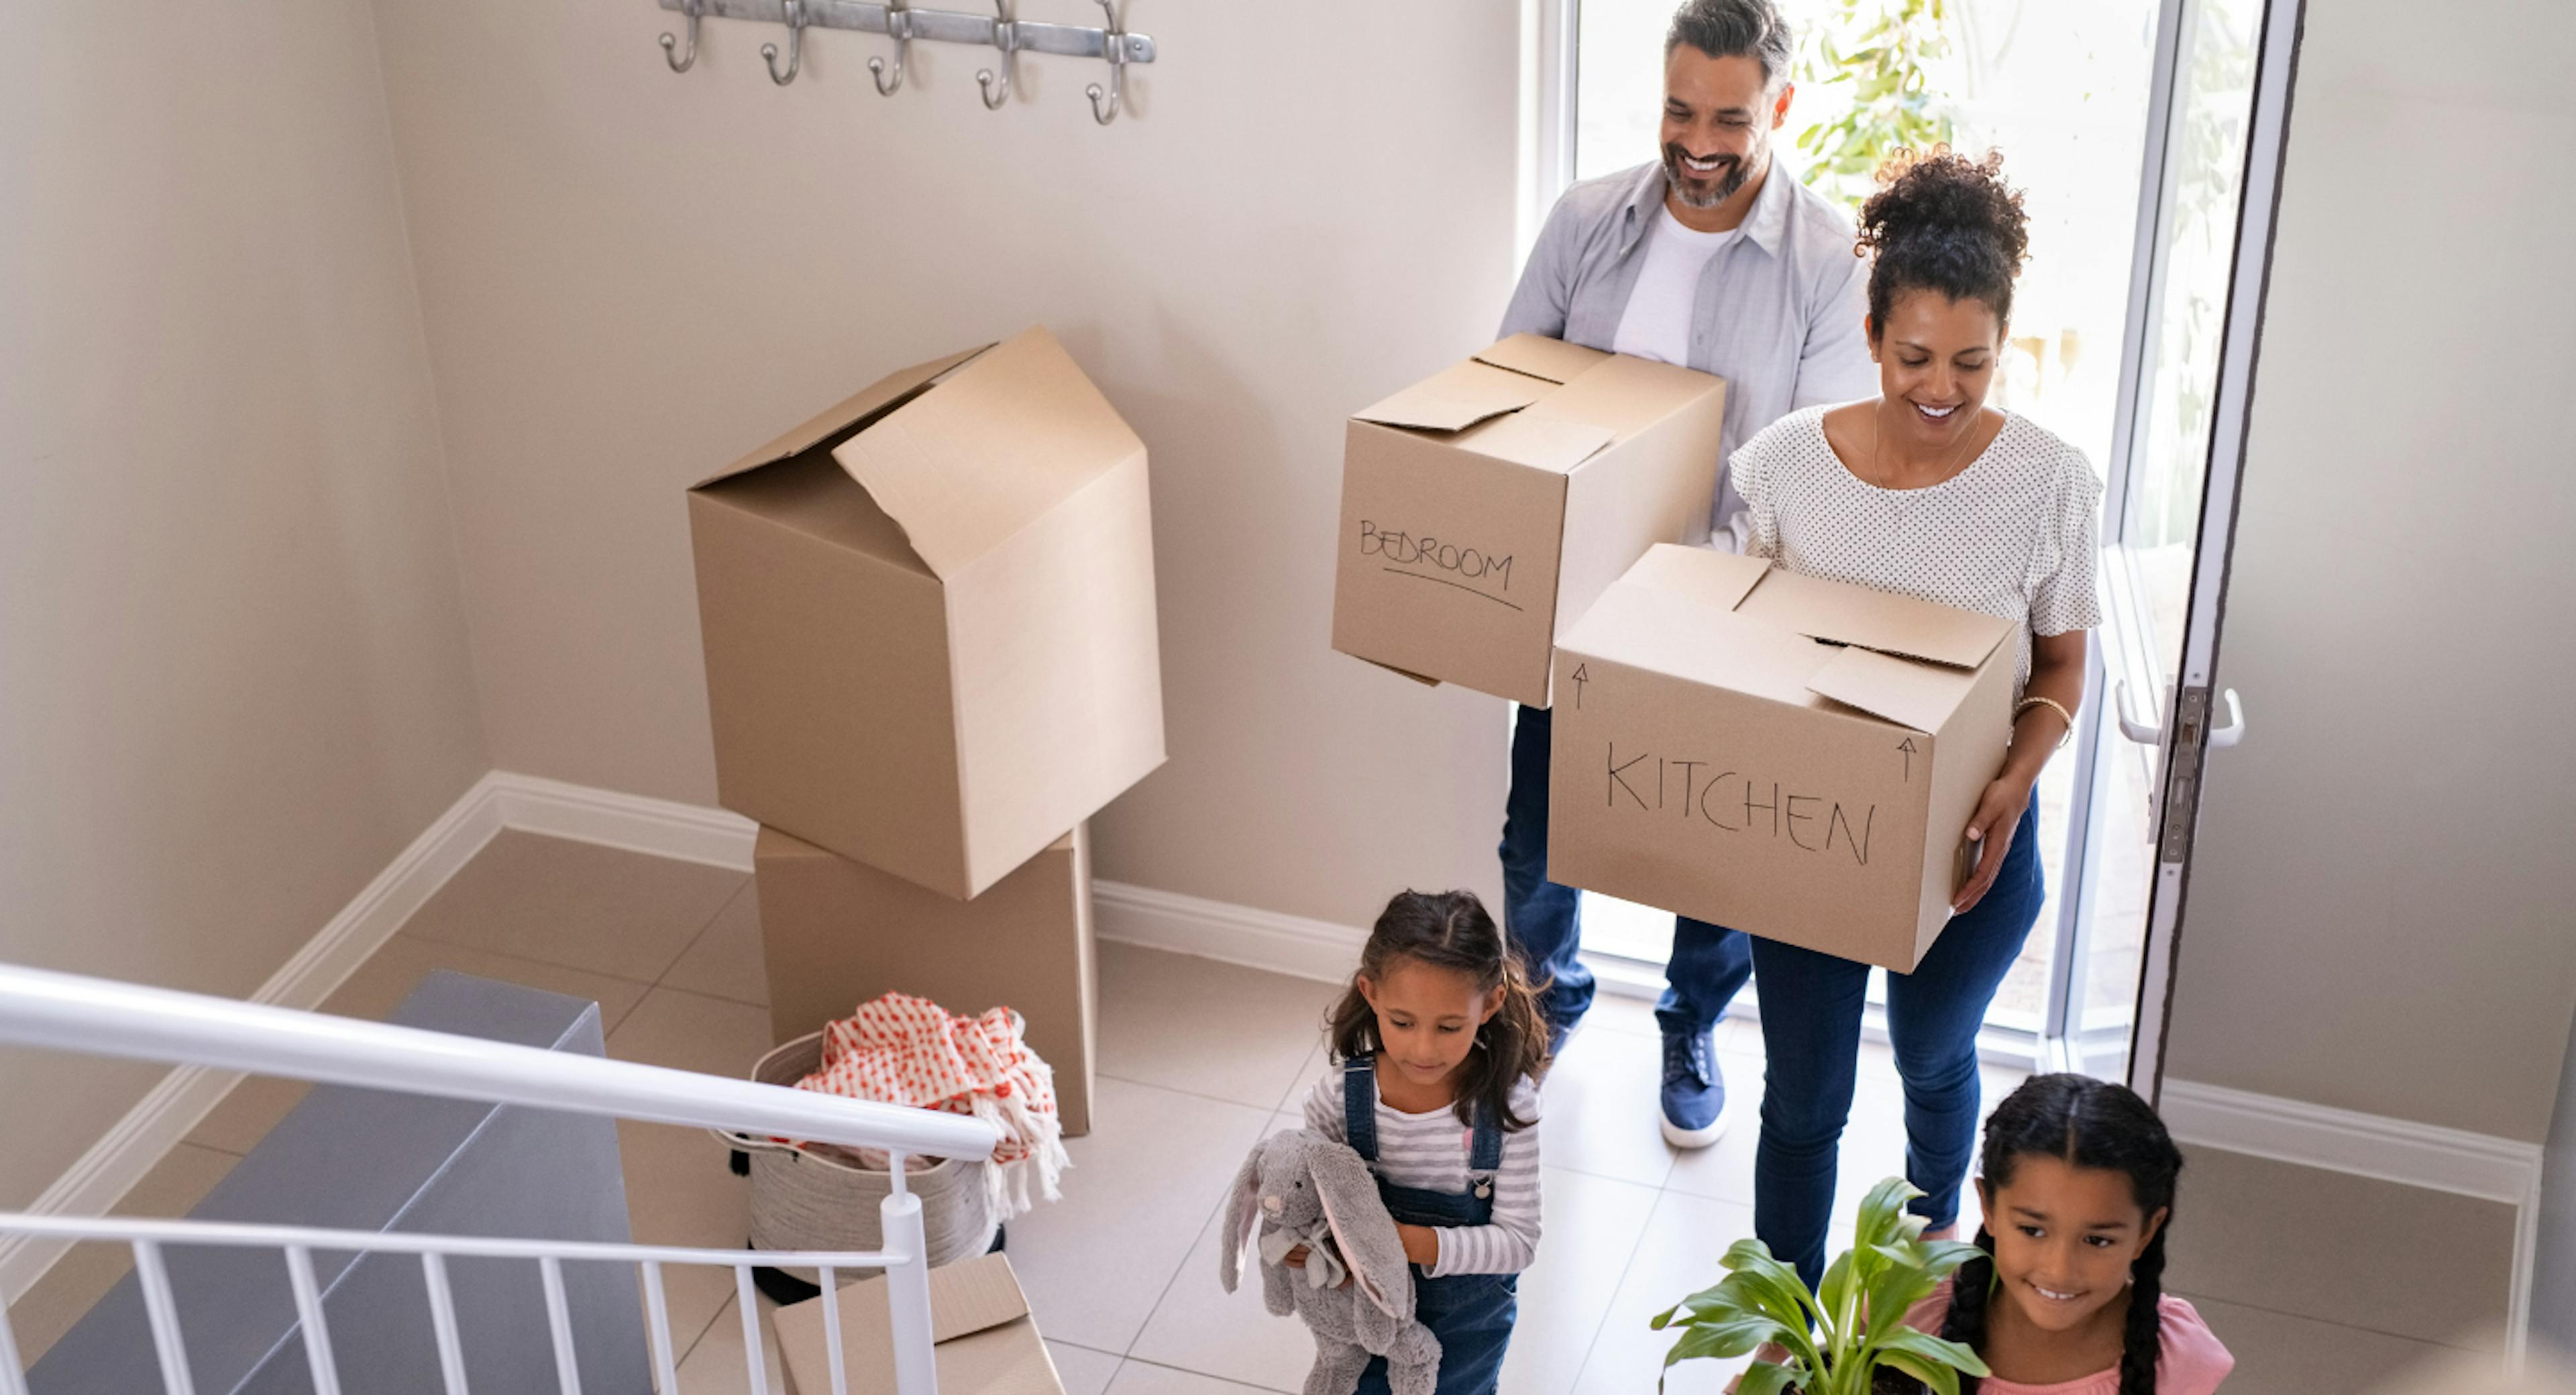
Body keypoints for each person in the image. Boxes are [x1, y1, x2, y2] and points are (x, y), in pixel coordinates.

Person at [1497, 0, 1878, 1152]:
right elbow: (1510, 388)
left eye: (1729, 116)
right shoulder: (1585, 222)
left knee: (1712, 855)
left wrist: (1692, 587)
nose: (1697, 141)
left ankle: (1689, 1023)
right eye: (1677, 109)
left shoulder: (1826, 259)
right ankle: (1543, 1005)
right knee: (1537, 832)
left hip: (1722, 611)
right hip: (1575, 601)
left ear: (1782, 107)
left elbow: (1808, 470)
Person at [1729, 147, 2102, 1287]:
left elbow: (2064, 667)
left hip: (1975, 841)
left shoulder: (2049, 484)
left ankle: (1937, 1250)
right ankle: (1785, 1325)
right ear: (1873, 329)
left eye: (1973, 363)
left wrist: (2014, 780)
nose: (1941, 387)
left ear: (2005, 347)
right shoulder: (1787, 464)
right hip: (1813, 836)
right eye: (1914, 357)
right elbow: (1744, 642)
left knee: (1937, 1057)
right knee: (1804, 1100)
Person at [1287, 890, 1552, 1395]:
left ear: (1491, 1004)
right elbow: (1307, 1201)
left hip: (1466, 1328)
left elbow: (1519, 1242)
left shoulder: (1509, 1108)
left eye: (1449, 1027)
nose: (1423, 1049)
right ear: (1371, 995)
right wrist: (1304, 1243)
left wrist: (1398, 1241)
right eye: (1402, 1023)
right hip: (1363, 1314)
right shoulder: (1340, 1098)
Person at [1890, 1074, 2234, 1394]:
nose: (2060, 1270)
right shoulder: (1910, 1310)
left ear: (2147, 1231)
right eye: (2033, 1230)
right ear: (1989, 1209)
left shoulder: (2181, 1361)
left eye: (2098, 1240)